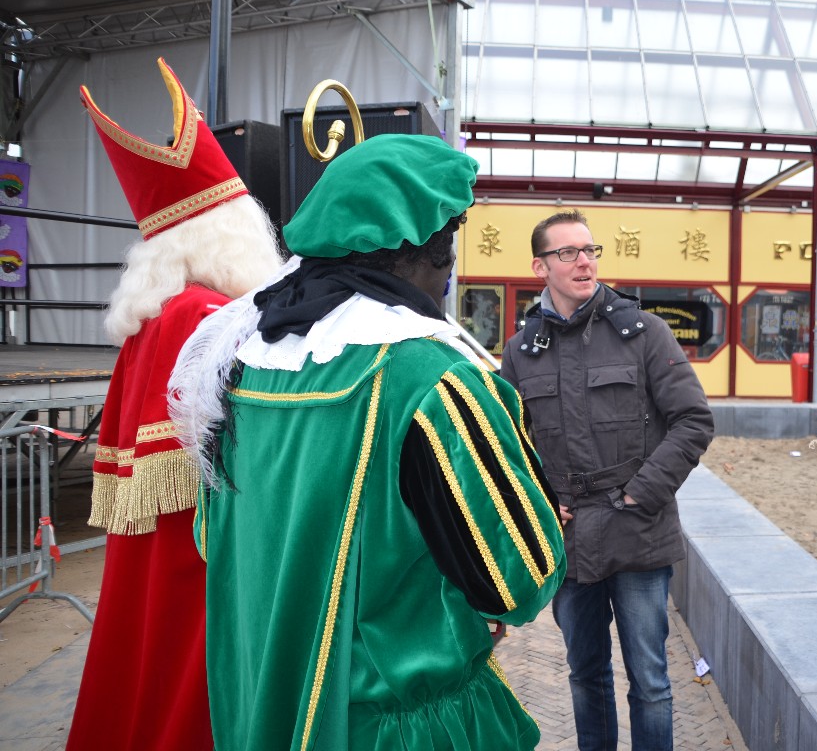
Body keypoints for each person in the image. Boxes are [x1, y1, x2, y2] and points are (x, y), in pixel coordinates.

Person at [168, 133, 566, 750]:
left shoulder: (240, 363)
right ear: (425, 256)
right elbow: (520, 575)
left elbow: (210, 537)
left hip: (261, 699)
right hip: (393, 725)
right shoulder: (432, 378)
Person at [67, 58, 283, 751]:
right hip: (201, 542)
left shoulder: (155, 314)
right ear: (229, 234)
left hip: (162, 540)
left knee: (143, 662)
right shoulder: (204, 314)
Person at [499, 209, 714, 751]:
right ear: (540, 266)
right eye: (568, 252)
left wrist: (642, 492)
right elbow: (509, 445)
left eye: (590, 250)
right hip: (569, 537)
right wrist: (538, 500)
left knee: (650, 680)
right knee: (585, 675)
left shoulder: (645, 333)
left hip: (638, 530)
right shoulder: (521, 351)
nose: (584, 261)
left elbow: (693, 420)